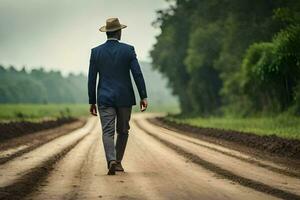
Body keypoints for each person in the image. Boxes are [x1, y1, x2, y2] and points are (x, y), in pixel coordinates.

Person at [88, 18, 148, 175]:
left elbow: (92, 79)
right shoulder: (128, 50)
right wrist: (143, 96)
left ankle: (111, 160)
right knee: (123, 131)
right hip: (124, 98)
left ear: (107, 33)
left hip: (104, 98)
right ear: (119, 32)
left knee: (107, 131)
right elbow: (137, 74)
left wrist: (91, 101)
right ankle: (118, 161)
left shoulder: (96, 52)